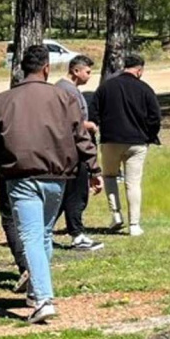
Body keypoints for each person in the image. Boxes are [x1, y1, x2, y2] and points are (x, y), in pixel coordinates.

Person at [0, 45, 100, 324]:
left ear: (21, 69)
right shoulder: (64, 97)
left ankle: (43, 299)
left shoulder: (3, 100)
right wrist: (93, 167)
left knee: (31, 236)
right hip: (58, 177)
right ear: (46, 68)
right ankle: (35, 291)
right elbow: (80, 135)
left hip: (22, 177)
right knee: (42, 235)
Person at [93, 52, 161, 236]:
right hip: (137, 142)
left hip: (110, 140)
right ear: (139, 70)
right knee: (133, 183)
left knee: (109, 176)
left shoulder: (106, 87)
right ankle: (134, 224)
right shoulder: (145, 89)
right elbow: (155, 117)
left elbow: (94, 113)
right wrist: (150, 136)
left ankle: (116, 214)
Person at [56, 54, 103, 252]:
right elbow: (67, 121)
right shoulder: (66, 91)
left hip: (76, 149)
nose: (89, 76)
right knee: (76, 194)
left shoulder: (70, 89)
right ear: (76, 71)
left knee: (66, 195)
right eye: (87, 72)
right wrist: (88, 125)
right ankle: (77, 235)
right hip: (74, 151)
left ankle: (43, 231)